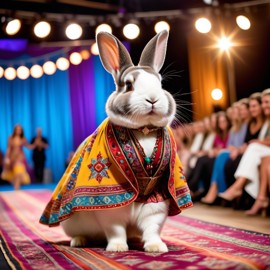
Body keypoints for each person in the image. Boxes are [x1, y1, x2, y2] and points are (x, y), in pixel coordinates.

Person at [219, 89, 270, 202]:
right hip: (259, 152)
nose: (264, 105)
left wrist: (258, 142)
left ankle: (238, 188)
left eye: (266, 102)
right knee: (226, 157)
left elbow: (261, 141)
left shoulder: (263, 122)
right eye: (263, 103)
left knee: (253, 148)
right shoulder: (264, 121)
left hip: (260, 151)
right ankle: (256, 197)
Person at [201, 100, 250, 204]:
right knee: (220, 155)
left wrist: (234, 149)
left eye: (238, 111)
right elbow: (230, 146)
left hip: (238, 152)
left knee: (221, 155)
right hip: (232, 151)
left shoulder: (245, 126)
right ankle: (216, 189)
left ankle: (215, 189)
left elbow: (241, 144)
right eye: (236, 112)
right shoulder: (233, 129)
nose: (237, 114)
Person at [187, 111, 231, 200]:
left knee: (201, 160)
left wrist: (215, 151)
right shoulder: (218, 134)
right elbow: (215, 147)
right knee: (200, 160)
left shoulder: (229, 133)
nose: (221, 124)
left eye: (223, 121)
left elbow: (227, 147)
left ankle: (191, 188)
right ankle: (191, 189)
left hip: (222, 157)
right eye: (220, 122)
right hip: (216, 156)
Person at [1, 125, 35, 190]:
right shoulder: (11, 137)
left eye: (20, 129)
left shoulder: (23, 138)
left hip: (20, 158)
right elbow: (8, 149)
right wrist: (7, 158)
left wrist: (35, 144)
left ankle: (17, 189)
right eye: (17, 129)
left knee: (18, 173)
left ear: (22, 131)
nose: (19, 131)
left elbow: (29, 146)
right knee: (12, 176)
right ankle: (17, 188)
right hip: (12, 159)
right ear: (15, 130)